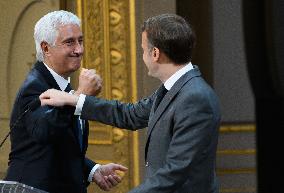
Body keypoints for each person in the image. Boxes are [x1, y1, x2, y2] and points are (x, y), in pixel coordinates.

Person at [40, 13, 221, 193]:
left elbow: (175, 172)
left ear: (155, 53)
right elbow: (130, 115)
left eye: (143, 50)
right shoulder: (175, 88)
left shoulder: (195, 97)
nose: (143, 56)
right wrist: (74, 99)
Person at [4, 10, 127, 193]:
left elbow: (58, 147)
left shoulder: (64, 86)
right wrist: (78, 97)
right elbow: (46, 132)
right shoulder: (35, 87)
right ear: (46, 48)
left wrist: (93, 170)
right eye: (69, 42)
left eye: (80, 41)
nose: (79, 50)